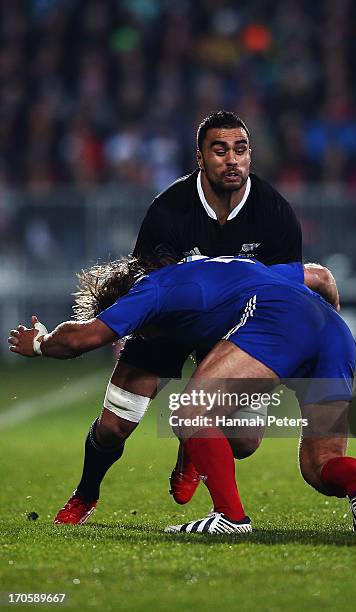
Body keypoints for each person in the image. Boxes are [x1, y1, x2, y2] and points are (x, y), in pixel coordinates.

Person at [48, 109, 310, 525]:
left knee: (244, 441)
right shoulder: (169, 208)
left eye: (240, 150)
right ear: (200, 158)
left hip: (236, 328)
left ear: (250, 156)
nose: (232, 160)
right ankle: (85, 495)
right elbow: (146, 285)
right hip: (169, 325)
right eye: (220, 150)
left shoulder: (274, 213)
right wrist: (124, 329)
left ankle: (192, 443)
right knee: (114, 426)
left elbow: (289, 295)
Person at [8, 255, 356, 534]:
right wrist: (323, 332)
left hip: (279, 318)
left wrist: (40, 343)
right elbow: (320, 276)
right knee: (320, 467)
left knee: (191, 413)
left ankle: (231, 519)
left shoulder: (149, 291)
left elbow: (84, 337)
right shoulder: (221, 267)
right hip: (335, 333)